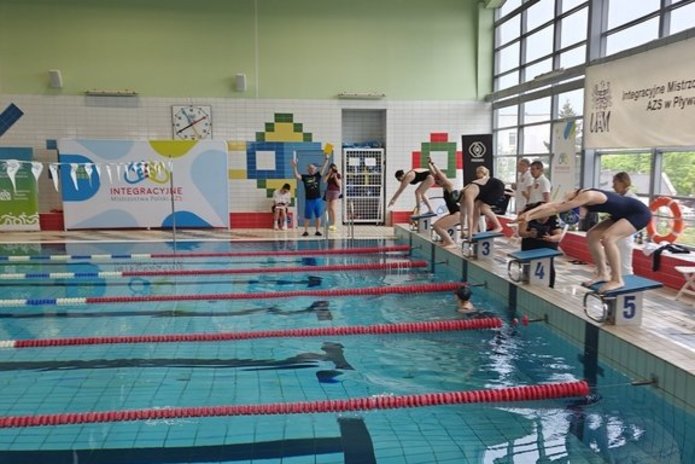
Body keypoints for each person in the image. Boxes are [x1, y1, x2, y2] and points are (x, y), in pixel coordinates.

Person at [516, 188, 651, 293]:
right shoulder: (579, 198)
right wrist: (528, 214)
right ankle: (603, 273)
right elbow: (550, 206)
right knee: (592, 235)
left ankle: (617, 279)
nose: (579, 218)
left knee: (608, 238)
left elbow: (555, 209)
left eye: (576, 215)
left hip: (638, 213)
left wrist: (529, 217)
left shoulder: (588, 196)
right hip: (621, 215)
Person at [517, 201, 564, 288]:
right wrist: (529, 234)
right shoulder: (528, 214)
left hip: (547, 242)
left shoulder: (553, 217)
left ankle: (550, 286)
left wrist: (551, 238)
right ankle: (527, 283)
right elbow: (521, 232)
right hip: (530, 241)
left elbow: (559, 236)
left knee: (548, 264)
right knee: (529, 263)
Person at [459, 166, 505, 242]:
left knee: (483, 208)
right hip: (486, 189)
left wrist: (470, 235)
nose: (462, 203)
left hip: (496, 186)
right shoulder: (462, 194)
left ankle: (498, 226)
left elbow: (469, 217)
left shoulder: (468, 194)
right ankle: (474, 229)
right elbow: (462, 215)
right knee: (477, 205)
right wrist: (462, 231)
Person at [427, 158, 460, 248]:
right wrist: (429, 164)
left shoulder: (449, 186)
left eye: (439, 180)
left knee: (438, 226)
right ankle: (447, 241)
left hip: (458, 214)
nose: (437, 182)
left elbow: (440, 176)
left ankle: (451, 243)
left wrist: (433, 164)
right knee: (437, 226)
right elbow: (435, 175)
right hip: (454, 213)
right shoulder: (445, 188)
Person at [292, 157, 329, 237]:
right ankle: (305, 231)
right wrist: (294, 166)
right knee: (307, 216)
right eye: (310, 168)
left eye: (313, 168)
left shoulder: (318, 175)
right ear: (308, 169)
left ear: (315, 169)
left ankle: (317, 230)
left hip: (318, 200)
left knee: (318, 216)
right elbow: (296, 176)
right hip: (309, 200)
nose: (311, 169)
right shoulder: (305, 177)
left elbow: (323, 168)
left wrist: (326, 160)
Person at [612, 172, 637, 276]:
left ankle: (629, 290)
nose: (613, 186)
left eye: (615, 183)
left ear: (623, 182)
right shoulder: (619, 197)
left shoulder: (632, 199)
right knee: (614, 265)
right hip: (616, 236)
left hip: (625, 237)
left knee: (625, 267)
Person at [322, 163, 342, 231]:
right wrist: (329, 173)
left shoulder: (338, 175)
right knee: (328, 208)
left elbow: (338, 184)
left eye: (334, 168)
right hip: (328, 191)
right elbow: (324, 181)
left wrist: (335, 176)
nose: (333, 170)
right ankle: (329, 223)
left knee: (332, 208)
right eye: (332, 168)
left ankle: (334, 224)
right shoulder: (328, 174)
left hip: (335, 191)